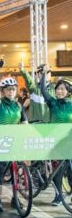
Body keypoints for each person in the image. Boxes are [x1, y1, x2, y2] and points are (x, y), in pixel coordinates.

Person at [0, 59, 28, 212]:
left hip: (15, 142)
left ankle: (15, 198)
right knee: (0, 172)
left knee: (16, 172)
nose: (11, 92)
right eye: (8, 90)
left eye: (13, 89)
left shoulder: (19, 105)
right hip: (0, 142)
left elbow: (25, 123)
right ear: (3, 91)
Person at [40, 67, 72, 206]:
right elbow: (43, 90)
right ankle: (58, 195)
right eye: (58, 89)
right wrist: (44, 74)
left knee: (70, 169)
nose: (59, 91)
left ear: (68, 91)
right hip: (55, 142)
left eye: (63, 89)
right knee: (56, 171)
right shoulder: (52, 103)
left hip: (69, 141)